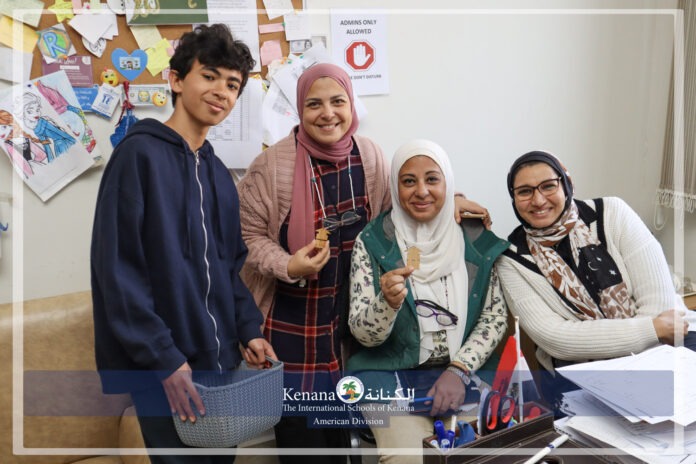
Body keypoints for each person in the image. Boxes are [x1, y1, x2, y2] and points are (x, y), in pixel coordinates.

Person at [237, 64, 489, 463]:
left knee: (345, 442)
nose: (328, 113)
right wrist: (289, 265)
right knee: (304, 443)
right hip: (293, 328)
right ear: (299, 110)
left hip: (350, 328)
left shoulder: (368, 155)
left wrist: (452, 200)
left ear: (351, 104)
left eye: (338, 101)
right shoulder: (270, 167)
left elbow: (402, 208)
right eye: (314, 104)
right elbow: (246, 239)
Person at [90, 24, 276, 464]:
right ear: (176, 80)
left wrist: (248, 329)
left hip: (218, 362)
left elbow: (228, 268)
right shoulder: (138, 157)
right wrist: (165, 361)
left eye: (233, 84)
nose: (222, 92)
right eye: (209, 75)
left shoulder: (219, 175)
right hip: (165, 367)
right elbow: (118, 273)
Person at [345, 139, 509, 464]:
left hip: (468, 373)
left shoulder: (476, 238)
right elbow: (364, 335)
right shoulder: (373, 241)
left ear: (447, 183)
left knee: (478, 456)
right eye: (409, 181)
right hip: (389, 375)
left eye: (432, 179)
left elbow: (495, 318)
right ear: (395, 186)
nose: (421, 191)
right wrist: (386, 304)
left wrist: (458, 371)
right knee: (408, 459)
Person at [497, 150, 693, 413]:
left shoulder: (613, 212)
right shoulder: (510, 259)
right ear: (514, 198)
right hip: (580, 376)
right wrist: (650, 329)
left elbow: (660, 305)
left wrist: (647, 357)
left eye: (548, 186)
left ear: (566, 183)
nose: (538, 199)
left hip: (662, 352)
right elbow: (557, 339)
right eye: (524, 191)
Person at [0, 109, 48, 178]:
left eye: (3, 127)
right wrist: (33, 162)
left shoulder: (8, 144)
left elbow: (21, 163)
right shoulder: (24, 138)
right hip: (37, 166)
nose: (1, 133)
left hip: (29, 173)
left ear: (11, 125)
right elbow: (42, 155)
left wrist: (30, 171)